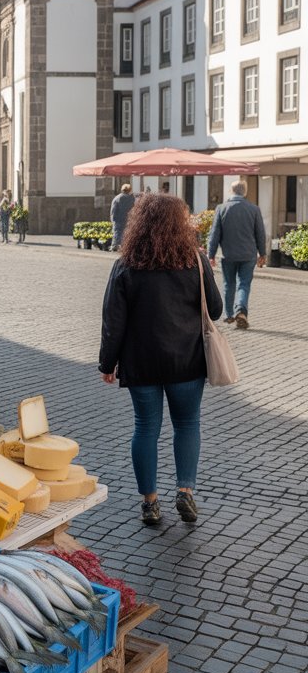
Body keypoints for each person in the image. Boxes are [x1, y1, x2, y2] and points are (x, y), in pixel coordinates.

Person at [99, 193, 222, 525]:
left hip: (141, 362)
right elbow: (217, 309)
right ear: (180, 224)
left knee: (145, 428)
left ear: (138, 224)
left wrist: (107, 363)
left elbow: (113, 321)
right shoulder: (195, 261)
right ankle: (185, 491)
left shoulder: (125, 266)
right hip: (187, 361)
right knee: (187, 424)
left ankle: (150, 503)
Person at [207, 180, 267, 330]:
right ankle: (240, 309)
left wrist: (211, 254)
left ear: (231, 191)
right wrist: (263, 253)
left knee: (229, 284)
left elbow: (214, 234)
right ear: (244, 192)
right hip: (248, 255)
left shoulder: (221, 208)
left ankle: (229, 314)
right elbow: (260, 233)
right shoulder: (253, 209)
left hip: (228, 255)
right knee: (244, 284)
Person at [110, 183, 136, 251]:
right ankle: (125, 246)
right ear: (130, 190)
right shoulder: (132, 198)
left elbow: (113, 210)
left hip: (118, 219)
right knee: (127, 233)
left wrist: (113, 219)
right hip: (129, 219)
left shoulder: (117, 198)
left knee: (117, 232)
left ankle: (115, 245)